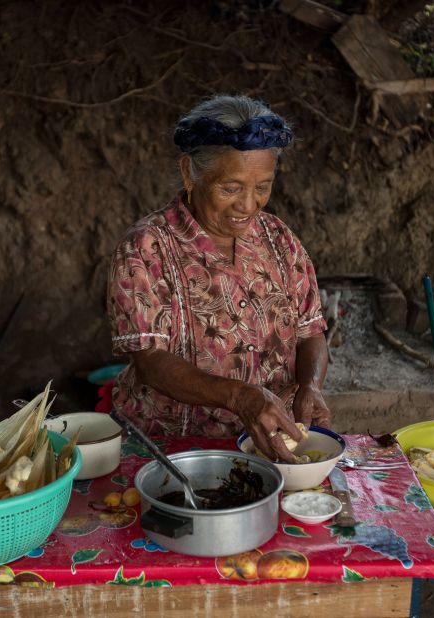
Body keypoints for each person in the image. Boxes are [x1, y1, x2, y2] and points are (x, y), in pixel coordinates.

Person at [107, 95, 330, 461]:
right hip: (172, 452)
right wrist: (241, 397)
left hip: (270, 444)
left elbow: (311, 331)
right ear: (189, 173)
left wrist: (311, 386)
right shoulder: (146, 249)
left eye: (262, 187)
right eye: (230, 188)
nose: (248, 204)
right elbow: (151, 361)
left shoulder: (280, 240)